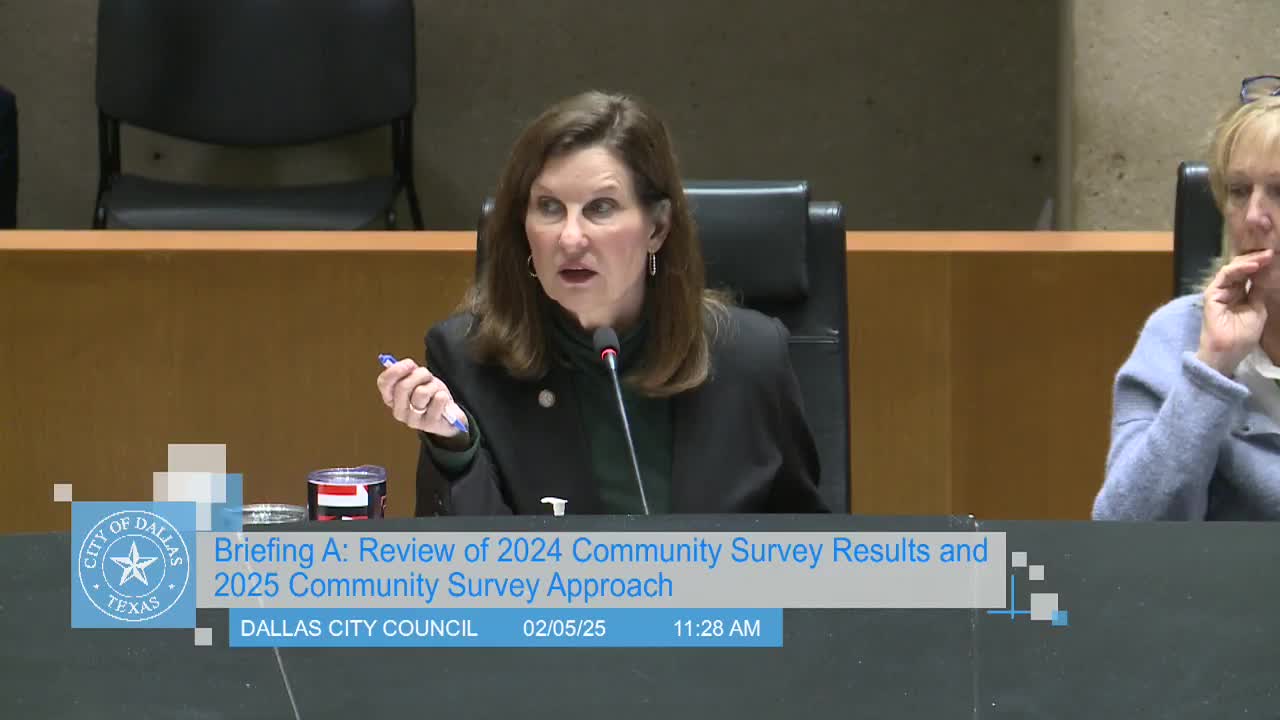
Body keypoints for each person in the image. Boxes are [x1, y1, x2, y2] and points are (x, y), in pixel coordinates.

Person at [376, 90, 828, 516]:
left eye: (601, 208)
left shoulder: (750, 357)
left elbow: (809, 547)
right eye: (549, 207)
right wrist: (455, 450)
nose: (570, 238)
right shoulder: (469, 360)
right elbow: (464, 562)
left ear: (657, 228)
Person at [1094, 77, 1280, 520]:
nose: (1253, 216)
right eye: (1239, 191)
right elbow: (1122, 529)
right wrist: (1212, 370)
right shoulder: (1176, 334)